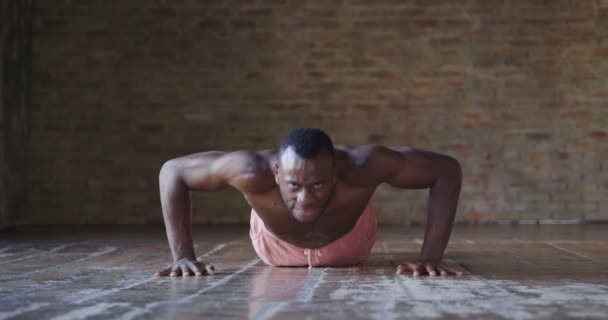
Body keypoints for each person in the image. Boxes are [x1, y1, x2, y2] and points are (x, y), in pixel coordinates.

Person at [156, 128, 463, 277]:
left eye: (317, 184)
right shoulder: (250, 170)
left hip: (349, 245)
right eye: (293, 185)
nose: (305, 198)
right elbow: (173, 172)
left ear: (334, 173)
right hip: (275, 248)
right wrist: (182, 255)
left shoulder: (363, 166)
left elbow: (446, 171)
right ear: (276, 173)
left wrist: (432, 256)